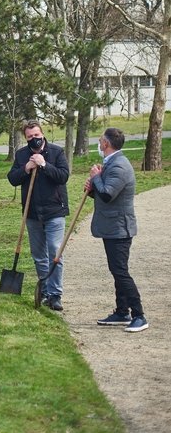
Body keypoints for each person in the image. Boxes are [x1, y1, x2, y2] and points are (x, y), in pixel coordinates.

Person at [85, 127, 148, 333]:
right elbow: (104, 196)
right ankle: (122, 312)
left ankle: (139, 315)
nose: (99, 143)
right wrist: (93, 187)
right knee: (117, 269)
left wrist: (96, 178)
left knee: (120, 271)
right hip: (111, 226)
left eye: (100, 139)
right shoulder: (111, 164)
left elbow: (108, 195)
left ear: (106, 143)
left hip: (120, 228)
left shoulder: (119, 166)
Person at [7, 119, 69, 311]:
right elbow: (12, 179)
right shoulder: (21, 155)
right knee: (38, 255)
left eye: (36, 135)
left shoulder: (56, 152)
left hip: (54, 210)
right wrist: (26, 168)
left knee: (54, 250)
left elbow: (63, 176)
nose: (33, 139)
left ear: (42, 134)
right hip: (32, 212)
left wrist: (44, 165)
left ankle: (55, 294)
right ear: (25, 138)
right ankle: (45, 290)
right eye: (29, 137)